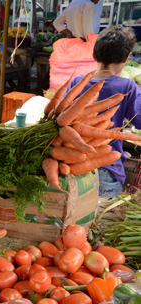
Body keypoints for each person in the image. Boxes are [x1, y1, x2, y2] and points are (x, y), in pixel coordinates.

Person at [64, 26, 141, 196]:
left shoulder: (77, 82)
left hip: (73, 167)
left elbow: (59, 117)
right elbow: (139, 121)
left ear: (94, 54)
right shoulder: (128, 87)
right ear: (127, 57)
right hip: (107, 172)